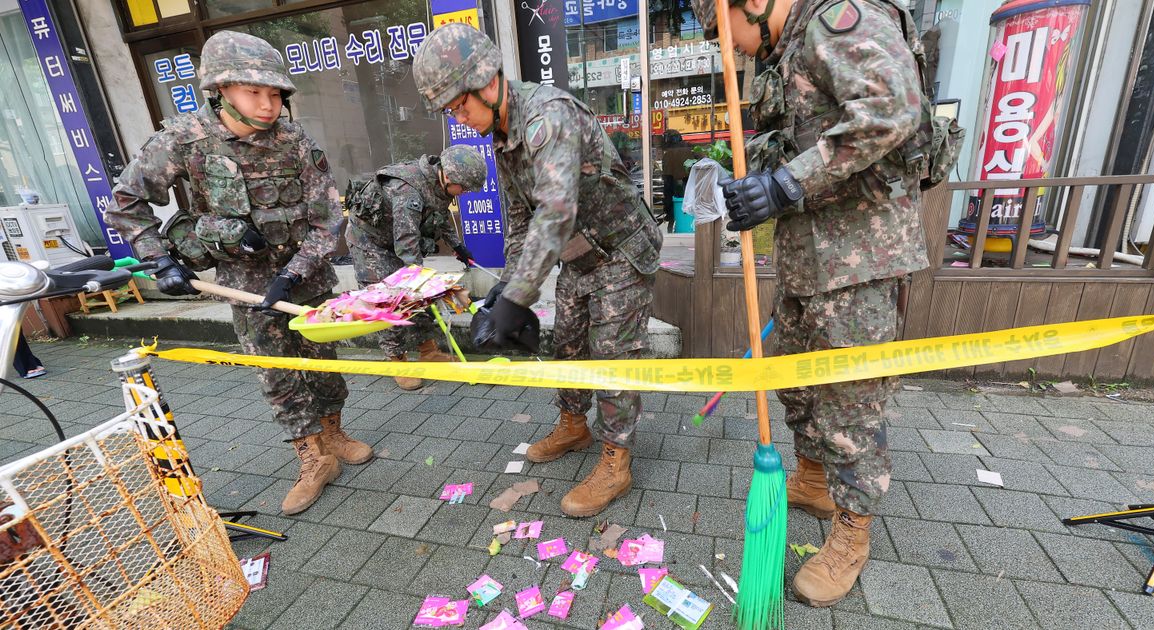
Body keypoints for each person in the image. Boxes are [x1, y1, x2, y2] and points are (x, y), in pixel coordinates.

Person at [690, 0, 929, 607]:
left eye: (726, 34)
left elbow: (891, 110)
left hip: (860, 258)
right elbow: (803, 134)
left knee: (852, 405)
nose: (734, 50)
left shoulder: (835, 20)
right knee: (797, 383)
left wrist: (783, 184)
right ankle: (814, 480)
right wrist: (752, 181)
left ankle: (852, 532)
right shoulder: (787, 46)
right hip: (806, 258)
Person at [106, 31, 373, 516]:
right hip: (243, 284)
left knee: (323, 362)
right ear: (221, 89)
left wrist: (293, 274)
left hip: (305, 280)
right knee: (277, 373)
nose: (268, 104)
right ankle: (312, 459)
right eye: (255, 92)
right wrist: (159, 260)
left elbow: (327, 219)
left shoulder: (296, 142)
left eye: (275, 94)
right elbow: (127, 202)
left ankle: (334, 436)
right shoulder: (185, 140)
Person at [413, 24, 663, 518]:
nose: (460, 119)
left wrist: (517, 299)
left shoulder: (547, 118)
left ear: (486, 81)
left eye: (460, 106)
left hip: (620, 249)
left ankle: (616, 459)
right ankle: (573, 425)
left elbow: (555, 212)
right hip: (577, 255)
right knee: (568, 342)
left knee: (610, 357)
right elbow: (522, 221)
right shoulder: (502, 136)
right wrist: (507, 285)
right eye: (450, 112)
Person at [346, 145, 487, 390]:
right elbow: (407, 248)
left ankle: (428, 351)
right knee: (388, 300)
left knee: (418, 293)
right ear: (449, 177)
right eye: (463, 188)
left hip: (397, 237)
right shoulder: (407, 190)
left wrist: (457, 246)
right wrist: (427, 283)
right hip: (370, 242)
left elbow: (439, 217)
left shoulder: (437, 182)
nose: (464, 193)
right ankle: (397, 360)